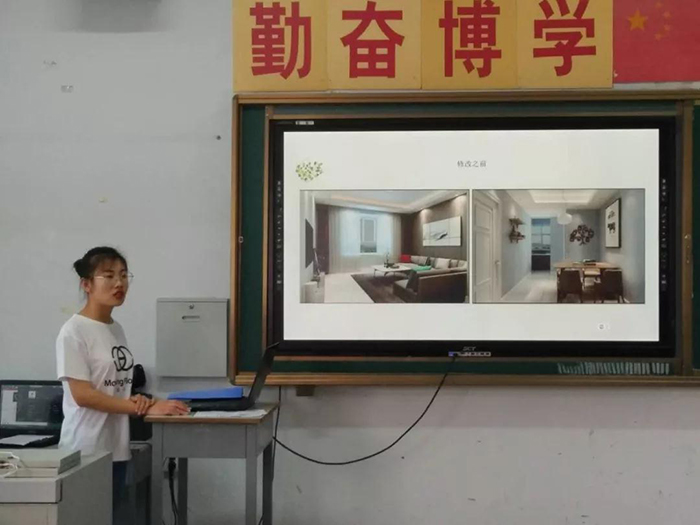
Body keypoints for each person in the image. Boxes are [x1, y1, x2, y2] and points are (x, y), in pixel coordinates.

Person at [56, 246, 189, 523]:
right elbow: (83, 395)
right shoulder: (73, 332)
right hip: (85, 450)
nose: (119, 283)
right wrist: (142, 408)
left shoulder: (115, 329)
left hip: (116, 447)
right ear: (86, 284)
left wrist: (145, 401)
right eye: (109, 276)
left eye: (124, 275)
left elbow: (117, 386)